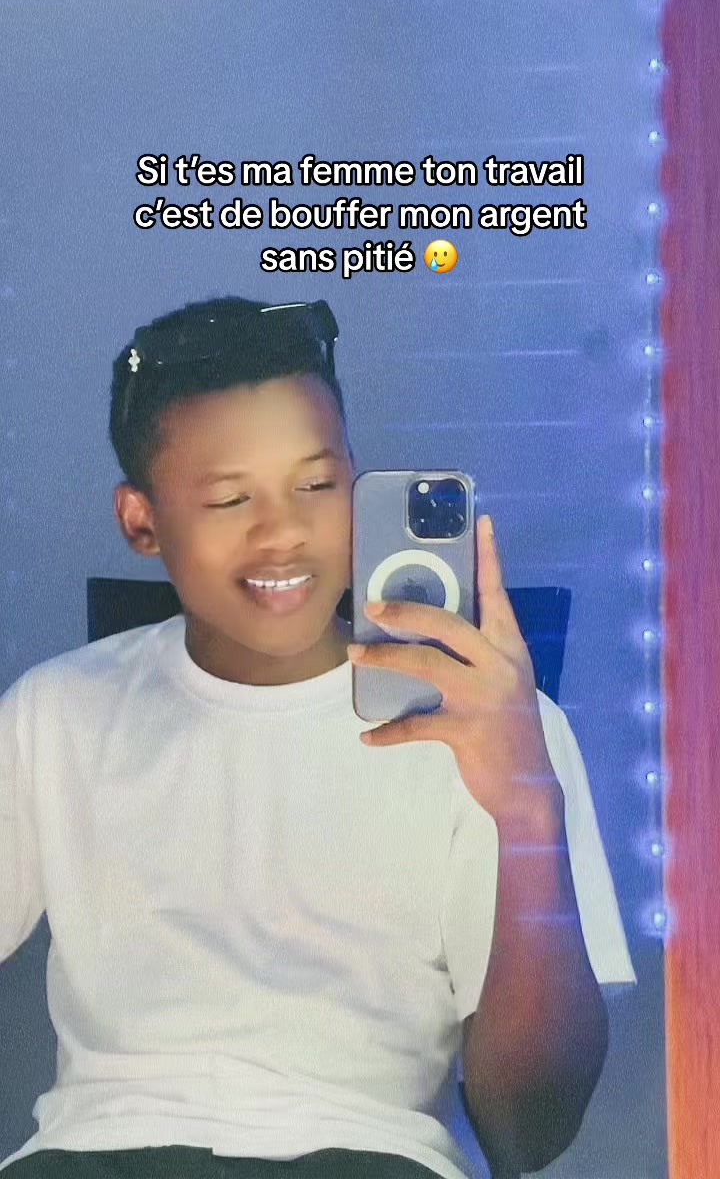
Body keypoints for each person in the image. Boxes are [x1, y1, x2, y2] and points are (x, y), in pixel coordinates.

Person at [0, 297, 637, 1179]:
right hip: (94, 1156)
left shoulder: (498, 727)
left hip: (366, 1156)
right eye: (230, 498)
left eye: (317, 485)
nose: (285, 532)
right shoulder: (56, 712)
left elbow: (530, 1131)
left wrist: (528, 811)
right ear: (141, 521)